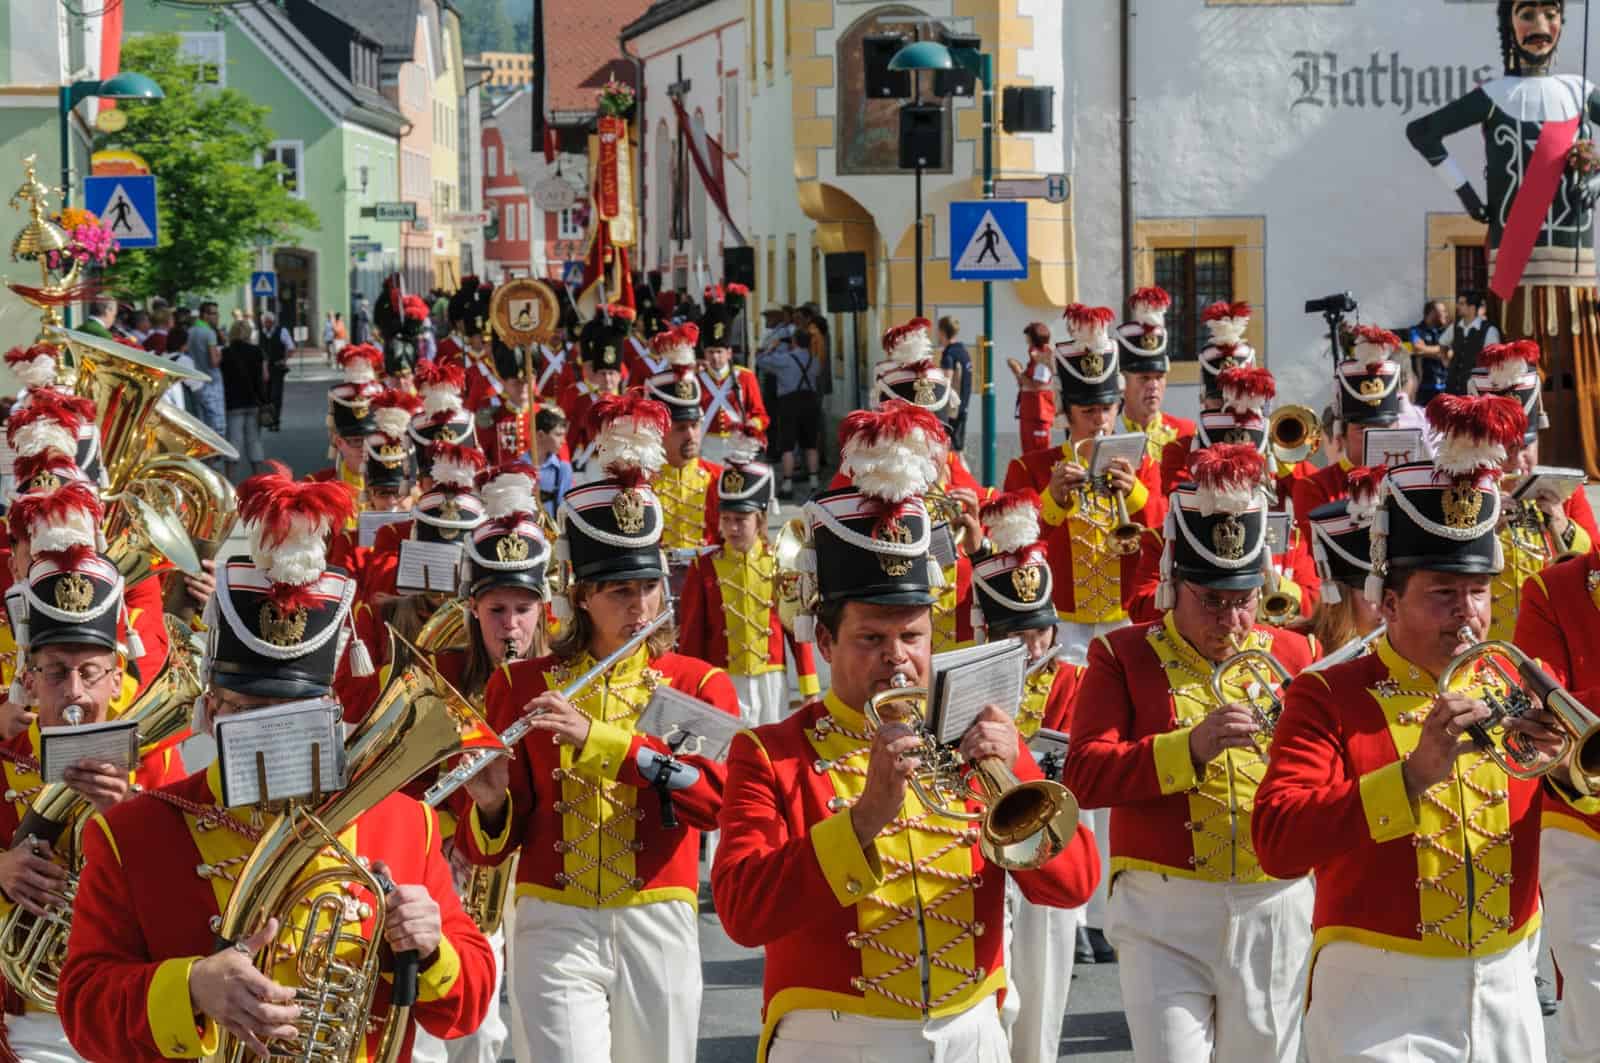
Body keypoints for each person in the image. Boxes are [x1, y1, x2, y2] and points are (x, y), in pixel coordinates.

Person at [57, 467, 497, 1063]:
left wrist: (433, 947)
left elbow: (466, 1006)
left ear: (332, 708)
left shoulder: (404, 824)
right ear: (210, 709)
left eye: (295, 709)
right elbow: (84, 1010)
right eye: (251, 708)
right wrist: (190, 986)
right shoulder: (130, 831)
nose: (273, 728)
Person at [712, 403, 1101, 1062]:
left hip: (971, 1029)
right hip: (832, 1036)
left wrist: (1021, 770)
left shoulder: (971, 733)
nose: (898, 658)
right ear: (827, 642)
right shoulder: (770, 754)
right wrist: (862, 820)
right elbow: (743, 911)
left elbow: (1073, 883)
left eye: (913, 637)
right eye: (872, 638)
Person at [1253, 392, 1582, 1062]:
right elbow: (1277, 840)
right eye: (1442, 593)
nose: (1468, 615)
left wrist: (1566, 767)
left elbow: (1576, 804)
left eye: (1480, 591)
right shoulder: (1328, 694)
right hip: (1377, 995)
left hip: (1507, 987)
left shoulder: (1522, 679)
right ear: (1390, 599)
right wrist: (1409, 777)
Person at [455, 396, 740, 1063]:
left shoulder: (698, 683)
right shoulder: (521, 685)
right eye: (618, 590)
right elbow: (493, 847)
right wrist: (491, 806)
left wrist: (606, 742)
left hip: (658, 915)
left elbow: (715, 800)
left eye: (646, 585)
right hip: (553, 919)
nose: (638, 603)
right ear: (581, 594)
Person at [1063, 444, 1316, 1063]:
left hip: (1274, 904)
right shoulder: (1121, 655)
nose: (1232, 620)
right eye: (1212, 600)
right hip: (1162, 908)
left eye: (1244, 598)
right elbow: (1085, 775)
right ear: (1174, 586)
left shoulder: (1294, 654)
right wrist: (1190, 748)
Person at [0, 480, 186, 1062]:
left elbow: (197, 892)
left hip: (126, 1006)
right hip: (26, 1016)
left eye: (90, 672)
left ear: (117, 677)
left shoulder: (152, 758)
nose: (75, 694)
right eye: (56, 673)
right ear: (27, 679)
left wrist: (129, 817)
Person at [1407, 0, 1600, 475]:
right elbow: (1423, 131)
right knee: (1516, 364)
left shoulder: (1581, 93)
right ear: (1508, 24)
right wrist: (1468, 196)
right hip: (1518, 259)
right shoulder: (1493, 95)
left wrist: (1594, 170)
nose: (1540, 26)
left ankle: (1582, 457)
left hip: (1575, 259)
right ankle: (1513, 458)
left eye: (1550, 14)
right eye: (1528, 13)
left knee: (1576, 370)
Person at [969, 490, 1087, 1063]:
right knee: (992, 993)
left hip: (1049, 841)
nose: (1031, 643)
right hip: (979, 844)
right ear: (986, 630)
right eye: (1015, 632)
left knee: (1041, 997)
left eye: (1038, 630)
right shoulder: (965, 682)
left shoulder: (1075, 682)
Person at [1004, 304, 1165, 663]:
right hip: (1059, 625)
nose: (1100, 422)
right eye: (1088, 412)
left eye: (1107, 409)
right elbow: (1012, 546)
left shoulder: (1145, 464)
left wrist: (1136, 493)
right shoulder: (1029, 468)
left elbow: (1165, 534)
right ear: (1066, 412)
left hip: (1127, 619)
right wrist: (1052, 500)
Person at [677, 428, 819, 727]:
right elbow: (691, 636)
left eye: (741, 519)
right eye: (726, 519)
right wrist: (693, 690)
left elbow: (797, 629)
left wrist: (809, 688)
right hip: (722, 679)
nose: (733, 528)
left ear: (760, 520)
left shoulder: (781, 562)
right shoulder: (704, 567)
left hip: (771, 681)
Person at [1470, 340, 1598, 640]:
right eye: (1506, 448)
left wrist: (1561, 524)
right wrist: (1482, 531)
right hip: (1485, 647)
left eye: (1527, 446)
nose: (1518, 459)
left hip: (1553, 642)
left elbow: (1595, 566)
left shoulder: (1565, 492)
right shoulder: (1458, 493)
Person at [1293, 324, 1407, 542]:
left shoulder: (1407, 481)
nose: (1374, 437)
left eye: (1384, 429)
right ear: (1340, 435)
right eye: (1363, 429)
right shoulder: (1314, 487)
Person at [642, 326, 721, 553]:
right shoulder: (640, 483)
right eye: (680, 428)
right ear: (658, 430)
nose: (690, 435)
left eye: (695, 426)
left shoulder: (719, 479)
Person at [1116, 286, 1196, 464]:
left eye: (1159, 377)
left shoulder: (1186, 433)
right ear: (1122, 383)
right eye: (1144, 378)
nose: (1153, 385)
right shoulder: (1109, 435)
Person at [756, 318, 821, 499]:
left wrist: (772, 347)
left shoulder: (785, 359)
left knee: (787, 445)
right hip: (810, 401)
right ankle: (814, 482)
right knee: (810, 443)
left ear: (793, 342)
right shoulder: (814, 361)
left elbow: (761, 361)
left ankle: (787, 484)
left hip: (789, 402)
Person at [697, 302, 769, 467]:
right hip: (706, 445)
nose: (715, 357)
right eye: (710, 352)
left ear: (729, 353)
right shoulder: (697, 378)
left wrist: (753, 424)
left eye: (720, 352)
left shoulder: (745, 377)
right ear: (704, 352)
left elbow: (761, 415)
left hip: (738, 446)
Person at [219, 316, 267, 481]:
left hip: (233, 403)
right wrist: (263, 400)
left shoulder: (225, 353)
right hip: (252, 401)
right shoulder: (256, 351)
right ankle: (259, 479)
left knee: (233, 441)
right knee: (254, 440)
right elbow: (263, 378)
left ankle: (230, 481)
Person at [1441, 289, 1499, 396]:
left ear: (1472, 308)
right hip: (1453, 385)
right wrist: (1445, 361)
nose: (1458, 306)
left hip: (1475, 386)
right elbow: (1443, 344)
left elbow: (1494, 357)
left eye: (1462, 304)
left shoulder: (1489, 330)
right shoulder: (1455, 327)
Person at [1010, 321, 1058, 453]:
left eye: (1029, 341)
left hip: (1038, 414)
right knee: (1028, 453)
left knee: (1038, 452)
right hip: (1030, 414)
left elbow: (1037, 385)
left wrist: (1018, 371)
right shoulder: (1036, 361)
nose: (1028, 346)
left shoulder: (1043, 361)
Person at [186, 300, 226, 438]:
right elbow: (214, 361)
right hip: (212, 382)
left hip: (195, 381)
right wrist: (222, 353)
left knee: (201, 422)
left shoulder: (190, 331)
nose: (217, 317)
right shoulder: (209, 333)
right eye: (214, 314)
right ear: (205, 315)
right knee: (216, 423)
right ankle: (216, 456)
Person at [938, 316, 973, 452]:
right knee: (958, 451)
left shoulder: (949, 354)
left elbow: (946, 380)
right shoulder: (963, 352)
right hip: (963, 408)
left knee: (951, 453)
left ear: (942, 332)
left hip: (952, 411)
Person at [1409, 299, 1451, 407]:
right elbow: (1418, 349)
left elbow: (1450, 354)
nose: (1447, 314)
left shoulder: (1446, 332)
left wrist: (1427, 350)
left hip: (1445, 387)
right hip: (1424, 388)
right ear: (1432, 313)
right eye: (1443, 311)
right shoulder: (1416, 330)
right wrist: (1442, 350)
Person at [534, 406, 573, 521]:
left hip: (552, 534)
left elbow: (565, 512)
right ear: (541, 435)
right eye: (558, 435)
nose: (563, 441)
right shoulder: (520, 466)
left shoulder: (562, 469)